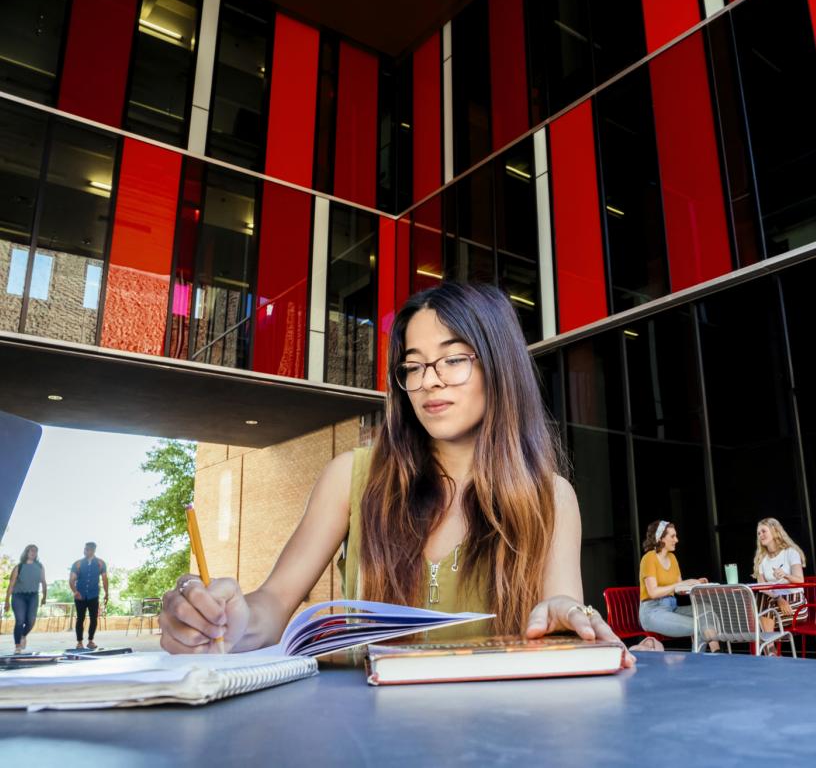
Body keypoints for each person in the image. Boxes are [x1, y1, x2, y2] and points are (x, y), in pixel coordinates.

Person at [159, 283, 634, 666]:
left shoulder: (550, 496)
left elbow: (561, 604)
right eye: (413, 366)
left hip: (501, 734)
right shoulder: (351, 477)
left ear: (499, 366)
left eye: (453, 359)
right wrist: (227, 620)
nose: (429, 381)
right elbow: (272, 605)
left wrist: (569, 617)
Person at [637, 520, 719, 651]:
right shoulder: (649, 558)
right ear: (660, 538)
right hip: (652, 612)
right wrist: (680, 584)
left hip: (671, 608)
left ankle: (717, 652)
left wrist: (694, 583)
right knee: (699, 626)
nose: (677, 540)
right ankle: (699, 662)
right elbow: (653, 592)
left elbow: (679, 590)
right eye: (672, 536)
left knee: (706, 609)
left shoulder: (672, 558)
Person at [752, 517, 806, 639]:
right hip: (774, 602)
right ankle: (771, 652)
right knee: (762, 602)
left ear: (775, 531)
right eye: (758, 533)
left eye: (764, 531)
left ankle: (770, 653)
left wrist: (785, 575)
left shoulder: (790, 552)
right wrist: (778, 598)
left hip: (795, 604)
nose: (761, 535)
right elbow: (762, 587)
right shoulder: (761, 559)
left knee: (757, 617)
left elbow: (800, 580)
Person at [4, 544, 46, 654]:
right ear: (26, 552)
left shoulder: (40, 566)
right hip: (19, 596)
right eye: (31, 551)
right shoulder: (19, 567)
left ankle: (23, 636)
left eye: (35, 551)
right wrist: (7, 601)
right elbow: (11, 585)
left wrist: (44, 597)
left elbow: (43, 582)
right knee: (20, 621)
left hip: (33, 596)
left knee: (31, 621)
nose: (33, 553)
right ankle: (17, 646)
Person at [70, 542, 108, 650]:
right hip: (80, 595)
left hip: (93, 595)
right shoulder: (78, 564)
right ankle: (79, 642)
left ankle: (91, 641)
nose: (86, 551)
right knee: (80, 619)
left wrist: (106, 593)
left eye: (89, 549)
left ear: (93, 550)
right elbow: (71, 579)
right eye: (85, 549)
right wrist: (75, 591)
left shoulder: (100, 563)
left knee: (94, 619)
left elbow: (105, 579)